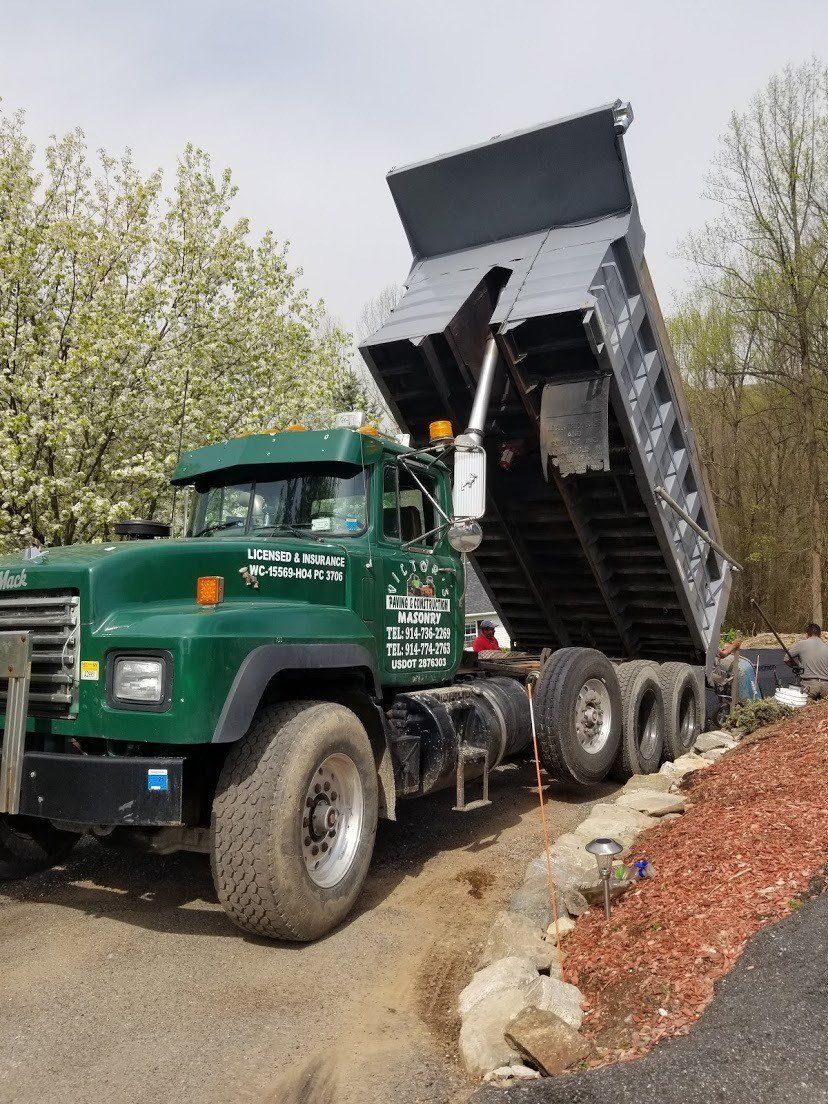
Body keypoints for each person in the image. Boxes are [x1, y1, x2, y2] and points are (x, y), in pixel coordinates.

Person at [785, 623, 828, 700]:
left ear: (807, 635)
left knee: (803, 706)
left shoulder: (801, 644)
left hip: (809, 685)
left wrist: (796, 667)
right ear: (820, 635)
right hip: (826, 686)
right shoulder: (826, 647)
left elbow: (786, 659)